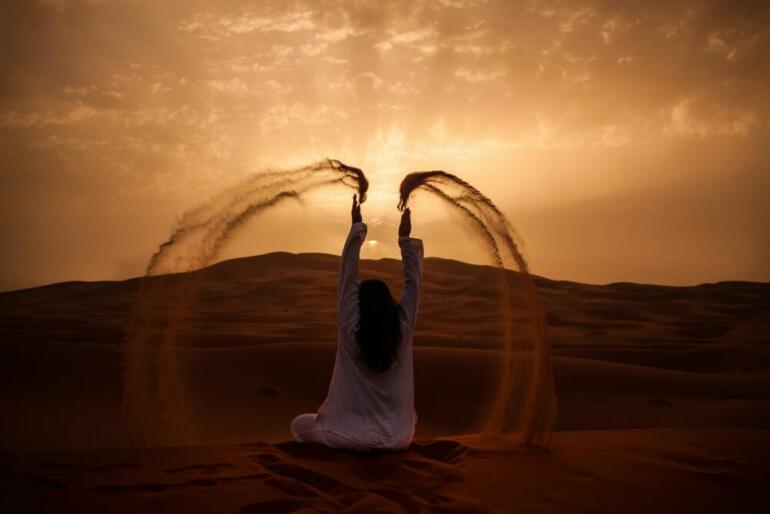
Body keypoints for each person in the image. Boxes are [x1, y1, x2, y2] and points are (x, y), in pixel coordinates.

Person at [290, 194, 424, 451]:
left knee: (299, 425)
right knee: (408, 422)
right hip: (398, 438)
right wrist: (405, 241)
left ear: (359, 304)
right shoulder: (402, 330)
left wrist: (356, 229)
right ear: (389, 304)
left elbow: (347, 277)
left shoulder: (351, 327)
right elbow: (413, 285)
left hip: (347, 436)